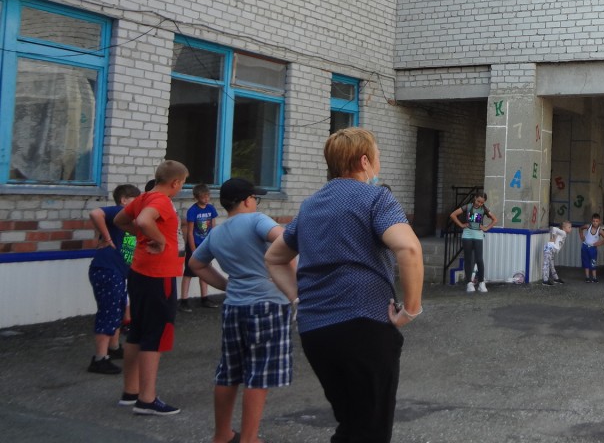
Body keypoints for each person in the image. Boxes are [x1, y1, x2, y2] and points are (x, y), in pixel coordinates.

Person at [265, 127, 423, 443]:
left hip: (316, 332)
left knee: (352, 424)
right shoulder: (376, 198)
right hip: (363, 326)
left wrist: (298, 299)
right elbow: (409, 248)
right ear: (364, 161)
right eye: (377, 156)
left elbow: (274, 257)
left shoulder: (311, 205)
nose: (378, 163)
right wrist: (411, 309)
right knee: (370, 430)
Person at [188, 177, 290, 443]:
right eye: (255, 198)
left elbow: (196, 264)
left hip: (234, 305)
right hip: (267, 304)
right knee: (259, 373)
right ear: (246, 200)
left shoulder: (217, 232)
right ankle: (249, 438)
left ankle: (222, 434)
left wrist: (226, 285)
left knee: (229, 370)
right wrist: (287, 279)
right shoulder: (257, 220)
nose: (256, 202)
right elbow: (285, 239)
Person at [113, 160, 189, 415]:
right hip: (159, 275)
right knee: (155, 334)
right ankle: (147, 399)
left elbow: (121, 220)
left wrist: (143, 235)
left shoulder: (143, 197)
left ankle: (131, 391)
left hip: (139, 271)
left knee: (137, 331)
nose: (181, 188)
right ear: (175, 182)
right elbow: (145, 221)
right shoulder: (161, 201)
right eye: (182, 184)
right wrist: (158, 239)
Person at [86, 184, 141, 375]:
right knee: (108, 312)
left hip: (117, 272)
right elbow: (95, 213)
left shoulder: (129, 220)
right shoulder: (119, 211)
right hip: (107, 270)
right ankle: (100, 359)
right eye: (135, 200)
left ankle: (114, 347)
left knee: (118, 309)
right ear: (124, 200)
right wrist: (107, 238)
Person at [181, 183, 218, 312]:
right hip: (195, 245)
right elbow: (190, 232)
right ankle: (184, 301)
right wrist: (193, 249)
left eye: (208, 196)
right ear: (196, 197)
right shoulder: (193, 211)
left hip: (206, 245)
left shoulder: (211, 209)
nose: (206, 199)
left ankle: (205, 298)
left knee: (205, 271)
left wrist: (212, 244)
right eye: (203, 197)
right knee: (189, 273)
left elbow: (213, 228)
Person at [449, 191, 496, 293]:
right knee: (468, 259)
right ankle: (469, 283)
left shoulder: (484, 209)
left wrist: (486, 228)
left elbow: (495, 219)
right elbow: (453, 215)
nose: (479, 203)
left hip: (478, 235)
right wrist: (461, 225)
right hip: (467, 234)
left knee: (479, 259)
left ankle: (481, 283)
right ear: (475, 198)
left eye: (482, 202)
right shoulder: (467, 207)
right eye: (478, 201)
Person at [579, 213, 604, 283]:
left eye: (596, 221)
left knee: (593, 262)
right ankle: (587, 277)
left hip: (593, 248)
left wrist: (599, 243)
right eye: (593, 221)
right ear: (591, 221)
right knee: (586, 262)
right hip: (585, 247)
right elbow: (581, 228)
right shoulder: (588, 226)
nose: (595, 223)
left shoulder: (600, 230)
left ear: (599, 221)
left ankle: (594, 277)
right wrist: (581, 235)